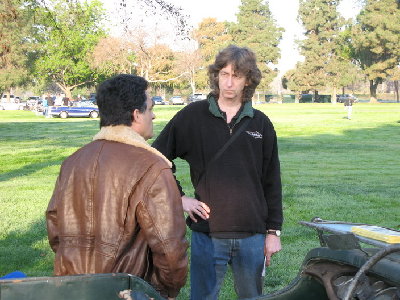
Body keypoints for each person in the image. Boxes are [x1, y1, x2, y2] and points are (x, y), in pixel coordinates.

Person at [152, 45, 283, 299]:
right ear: (216, 76)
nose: (229, 82)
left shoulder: (261, 123)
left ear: (248, 80)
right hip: (208, 235)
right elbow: (155, 157)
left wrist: (272, 232)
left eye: (237, 75)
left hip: (252, 236)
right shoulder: (192, 116)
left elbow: (272, 180)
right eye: (224, 74)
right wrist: (180, 199)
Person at [46, 74, 188, 299]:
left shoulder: (72, 162)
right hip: (126, 291)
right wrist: (164, 291)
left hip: (71, 288)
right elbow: (169, 246)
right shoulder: (153, 166)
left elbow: (55, 229)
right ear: (136, 115)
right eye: (150, 108)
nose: (154, 114)